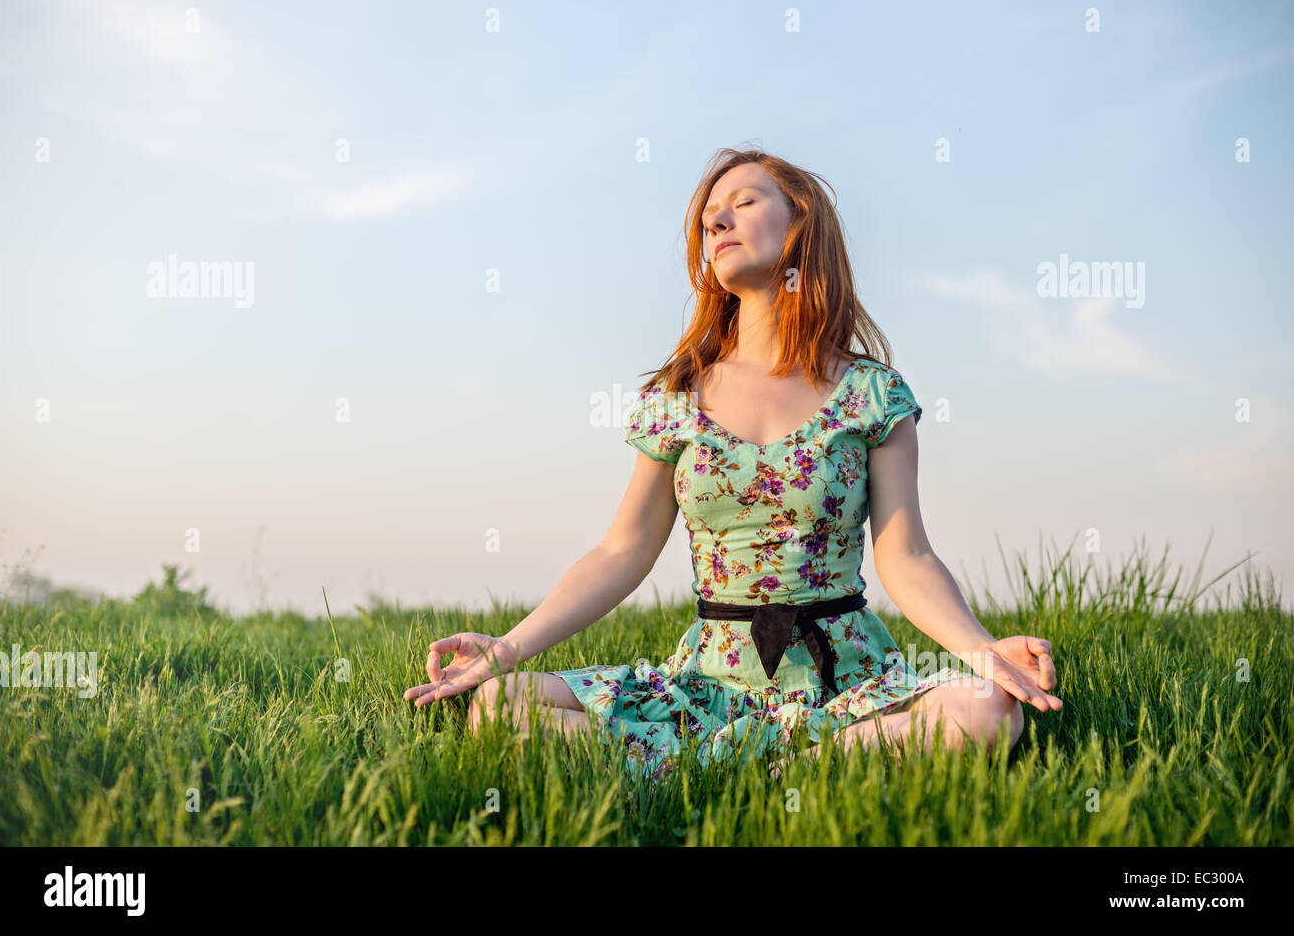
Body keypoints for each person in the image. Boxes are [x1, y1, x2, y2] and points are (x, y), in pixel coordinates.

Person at [404, 147, 1063, 781]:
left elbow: (906, 557)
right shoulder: (678, 398)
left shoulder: (873, 395)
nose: (715, 221)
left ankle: (736, 775)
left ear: (801, 224)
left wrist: (981, 647)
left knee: (988, 710)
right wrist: (506, 648)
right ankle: (738, 770)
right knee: (500, 704)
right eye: (708, 215)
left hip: (843, 676)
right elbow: (619, 553)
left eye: (743, 203)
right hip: (708, 680)